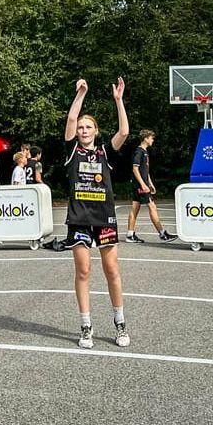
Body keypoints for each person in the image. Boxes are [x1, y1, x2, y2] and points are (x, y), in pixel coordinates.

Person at [63, 77, 132, 349]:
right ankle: (86, 326)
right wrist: (81, 93)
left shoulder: (105, 152)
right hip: (79, 218)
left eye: (88, 126)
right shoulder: (71, 152)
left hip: (104, 218)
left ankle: (120, 322)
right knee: (83, 271)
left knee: (112, 269)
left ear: (96, 130)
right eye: (81, 127)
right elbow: (69, 119)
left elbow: (124, 132)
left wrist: (118, 101)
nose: (83, 129)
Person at [126, 130, 177, 243]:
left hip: (142, 184)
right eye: (151, 138)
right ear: (146, 138)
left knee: (135, 208)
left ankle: (130, 235)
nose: (152, 140)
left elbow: (145, 170)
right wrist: (143, 185)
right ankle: (162, 233)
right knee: (152, 207)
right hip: (140, 185)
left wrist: (150, 183)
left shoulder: (145, 152)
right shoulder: (139, 152)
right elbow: (135, 169)